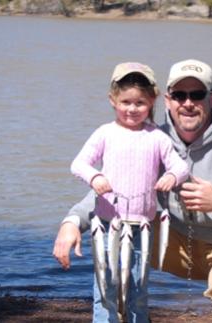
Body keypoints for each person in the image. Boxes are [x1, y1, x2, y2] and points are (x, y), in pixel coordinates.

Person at [53, 59, 212, 323]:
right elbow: (115, 193)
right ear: (166, 100)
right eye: (179, 95)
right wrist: (72, 222)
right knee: (119, 241)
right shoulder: (153, 139)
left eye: (197, 95)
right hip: (179, 240)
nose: (187, 103)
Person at [66, 61, 189, 323]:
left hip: (142, 228)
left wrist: (170, 176)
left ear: (152, 101)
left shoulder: (157, 137)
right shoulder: (105, 133)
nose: (132, 109)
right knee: (105, 288)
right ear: (113, 100)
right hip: (107, 226)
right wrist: (95, 176)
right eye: (125, 102)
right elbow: (78, 164)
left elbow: (181, 167)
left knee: (137, 288)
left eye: (140, 103)